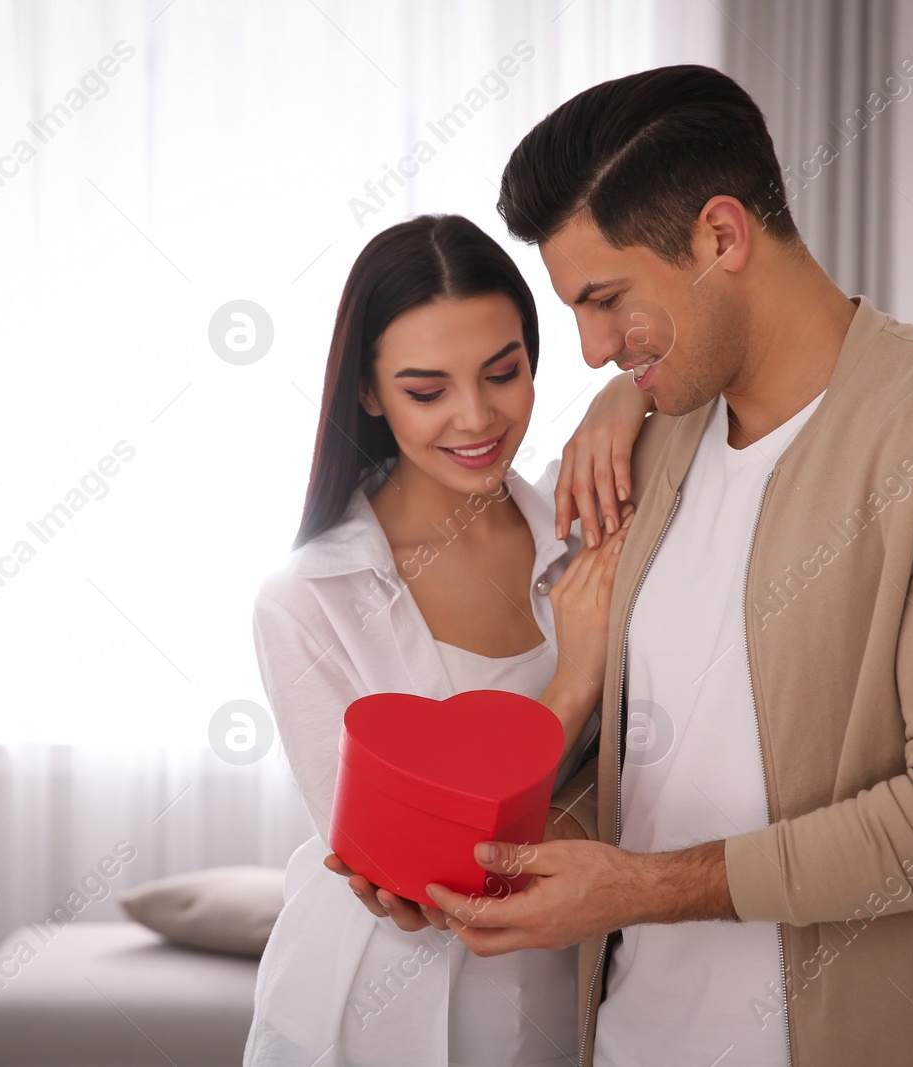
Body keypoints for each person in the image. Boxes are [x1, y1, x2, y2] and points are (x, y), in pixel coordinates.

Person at [420, 65, 913, 1067]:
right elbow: (646, 766)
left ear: (721, 236)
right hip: (636, 1039)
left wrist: (643, 887)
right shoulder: (647, 447)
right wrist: (457, 858)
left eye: (606, 301)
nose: (593, 348)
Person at [244, 213, 652, 1067]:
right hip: (365, 1018)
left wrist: (626, 391)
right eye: (427, 390)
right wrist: (572, 683)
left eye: (503, 373)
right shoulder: (308, 601)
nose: (477, 418)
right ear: (368, 391)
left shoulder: (580, 527)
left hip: (552, 998)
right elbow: (429, 877)